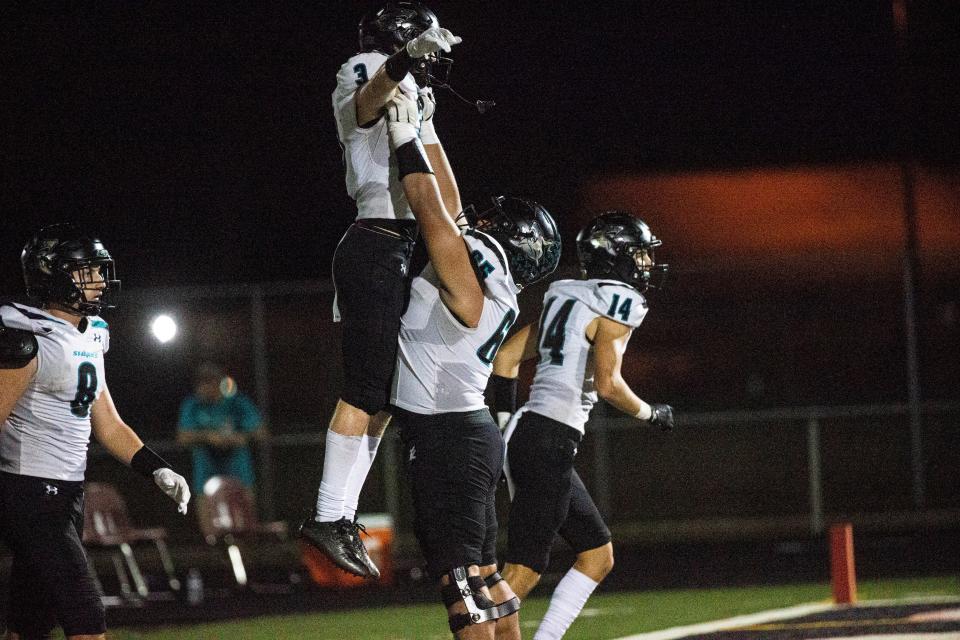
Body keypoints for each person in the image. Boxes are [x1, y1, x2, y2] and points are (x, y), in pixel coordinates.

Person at [383, 92, 561, 639]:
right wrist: (430, 127)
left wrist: (403, 134)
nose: (479, 221)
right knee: (483, 581)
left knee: (461, 586)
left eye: (492, 221)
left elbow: (431, 206)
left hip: (448, 439)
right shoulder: (499, 282)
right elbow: (451, 205)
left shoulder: (473, 279)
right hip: (465, 432)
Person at [300, 1, 464, 579]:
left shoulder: (414, 87)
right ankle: (327, 514)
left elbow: (441, 178)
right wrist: (401, 62)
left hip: (403, 244)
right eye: (420, 38)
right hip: (372, 241)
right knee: (366, 387)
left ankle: (339, 513)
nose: (431, 45)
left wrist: (458, 225)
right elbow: (368, 105)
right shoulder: (366, 65)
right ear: (401, 39)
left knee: (388, 398)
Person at [489, 212, 675, 640]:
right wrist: (651, 413)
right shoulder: (621, 301)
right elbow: (609, 385)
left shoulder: (566, 293)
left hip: (530, 432)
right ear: (616, 257)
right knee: (521, 572)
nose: (646, 264)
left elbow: (505, 360)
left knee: (596, 554)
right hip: (550, 438)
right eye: (639, 254)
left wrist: (504, 431)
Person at [0, 223, 190, 640]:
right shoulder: (27, 338)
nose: (100, 280)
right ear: (53, 274)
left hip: (68, 492)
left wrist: (156, 469)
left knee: (29, 624)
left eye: (98, 270)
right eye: (87, 271)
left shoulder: (91, 334)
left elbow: (107, 422)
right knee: (86, 619)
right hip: (29, 493)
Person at [176, 363, 264, 497]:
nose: (204, 387)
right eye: (201, 383)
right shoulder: (193, 405)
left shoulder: (237, 402)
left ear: (219, 383)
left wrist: (241, 437)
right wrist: (208, 437)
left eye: (209, 382)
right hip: (206, 472)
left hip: (238, 471)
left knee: (244, 513)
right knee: (207, 512)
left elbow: (261, 432)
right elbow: (182, 437)